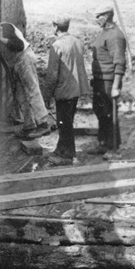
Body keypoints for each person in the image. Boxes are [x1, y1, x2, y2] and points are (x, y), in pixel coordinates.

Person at [43, 16, 91, 166]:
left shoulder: (56, 46)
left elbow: (51, 75)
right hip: (76, 89)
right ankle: (60, 149)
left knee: (64, 123)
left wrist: (47, 95)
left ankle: (67, 156)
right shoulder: (77, 42)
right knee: (66, 120)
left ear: (56, 27)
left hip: (64, 90)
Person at [0, 21, 53, 138]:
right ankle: (29, 126)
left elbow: (19, 45)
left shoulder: (4, 28)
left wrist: (2, 39)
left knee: (32, 90)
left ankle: (43, 124)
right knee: (21, 95)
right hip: (17, 63)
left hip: (24, 58)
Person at [88, 4, 127, 159]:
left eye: (98, 17)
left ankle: (114, 148)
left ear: (106, 16)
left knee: (110, 114)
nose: (96, 20)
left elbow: (119, 62)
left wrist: (116, 86)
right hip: (99, 80)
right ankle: (103, 143)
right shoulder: (105, 32)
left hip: (109, 81)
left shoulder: (115, 36)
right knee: (100, 112)